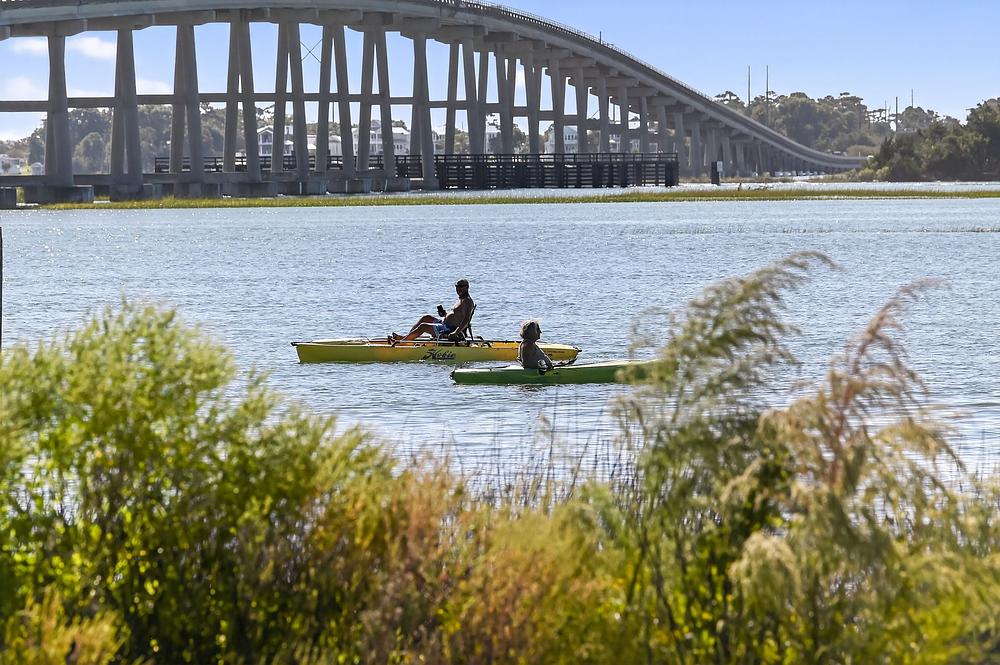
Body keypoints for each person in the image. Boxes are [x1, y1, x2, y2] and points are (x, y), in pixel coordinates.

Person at [391, 279, 475, 342]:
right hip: (444, 323)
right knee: (426, 317)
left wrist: (455, 333)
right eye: (457, 286)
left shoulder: (467, 301)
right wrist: (444, 314)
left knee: (423, 326)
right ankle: (408, 337)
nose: (458, 289)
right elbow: (456, 315)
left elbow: (466, 320)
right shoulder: (461, 299)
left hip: (449, 329)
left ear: (467, 287)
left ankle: (403, 343)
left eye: (461, 286)